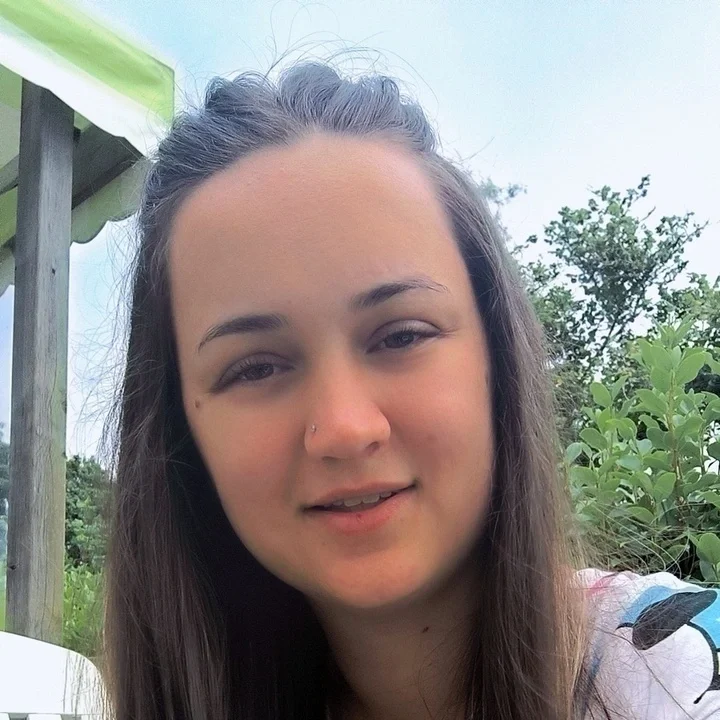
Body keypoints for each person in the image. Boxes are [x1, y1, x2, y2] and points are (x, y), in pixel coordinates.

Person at [101, 60, 720, 720]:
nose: (345, 427)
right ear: (179, 430)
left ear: (496, 357)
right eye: (255, 368)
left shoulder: (674, 670)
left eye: (400, 335)